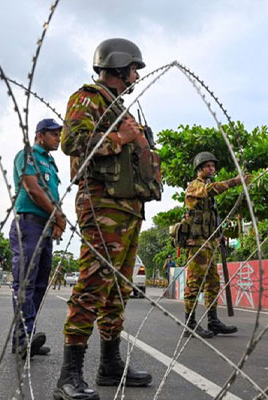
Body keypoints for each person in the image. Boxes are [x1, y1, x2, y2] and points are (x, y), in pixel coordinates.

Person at [55, 38, 160, 400]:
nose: (135, 75)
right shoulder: (89, 98)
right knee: (94, 283)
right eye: (133, 68)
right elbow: (73, 142)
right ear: (116, 66)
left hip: (127, 207)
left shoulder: (119, 106)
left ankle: (110, 363)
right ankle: (69, 375)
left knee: (118, 289)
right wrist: (120, 137)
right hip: (101, 205)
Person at [10, 118, 66, 359]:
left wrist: (56, 221)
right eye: (54, 134)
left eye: (60, 134)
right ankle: (25, 339)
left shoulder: (51, 164)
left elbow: (51, 193)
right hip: (29, 225)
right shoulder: (29, 154)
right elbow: (33, 189)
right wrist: (58, 215)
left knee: (40, 285)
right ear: (40, 135)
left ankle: (23, 338)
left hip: (45, 226)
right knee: (25, 283)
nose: (58, 138)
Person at [183, 152, 248, 338]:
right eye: (208, 166)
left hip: (209, 243)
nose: (212, 169)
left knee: (212, 283)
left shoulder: (208, 194)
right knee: (194, 284)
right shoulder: (195, 187)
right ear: (200, 168)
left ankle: (213, 321)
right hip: (196, 243)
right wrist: (235, 181)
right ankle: (190, 323)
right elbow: (212, 189)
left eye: (213, 166)